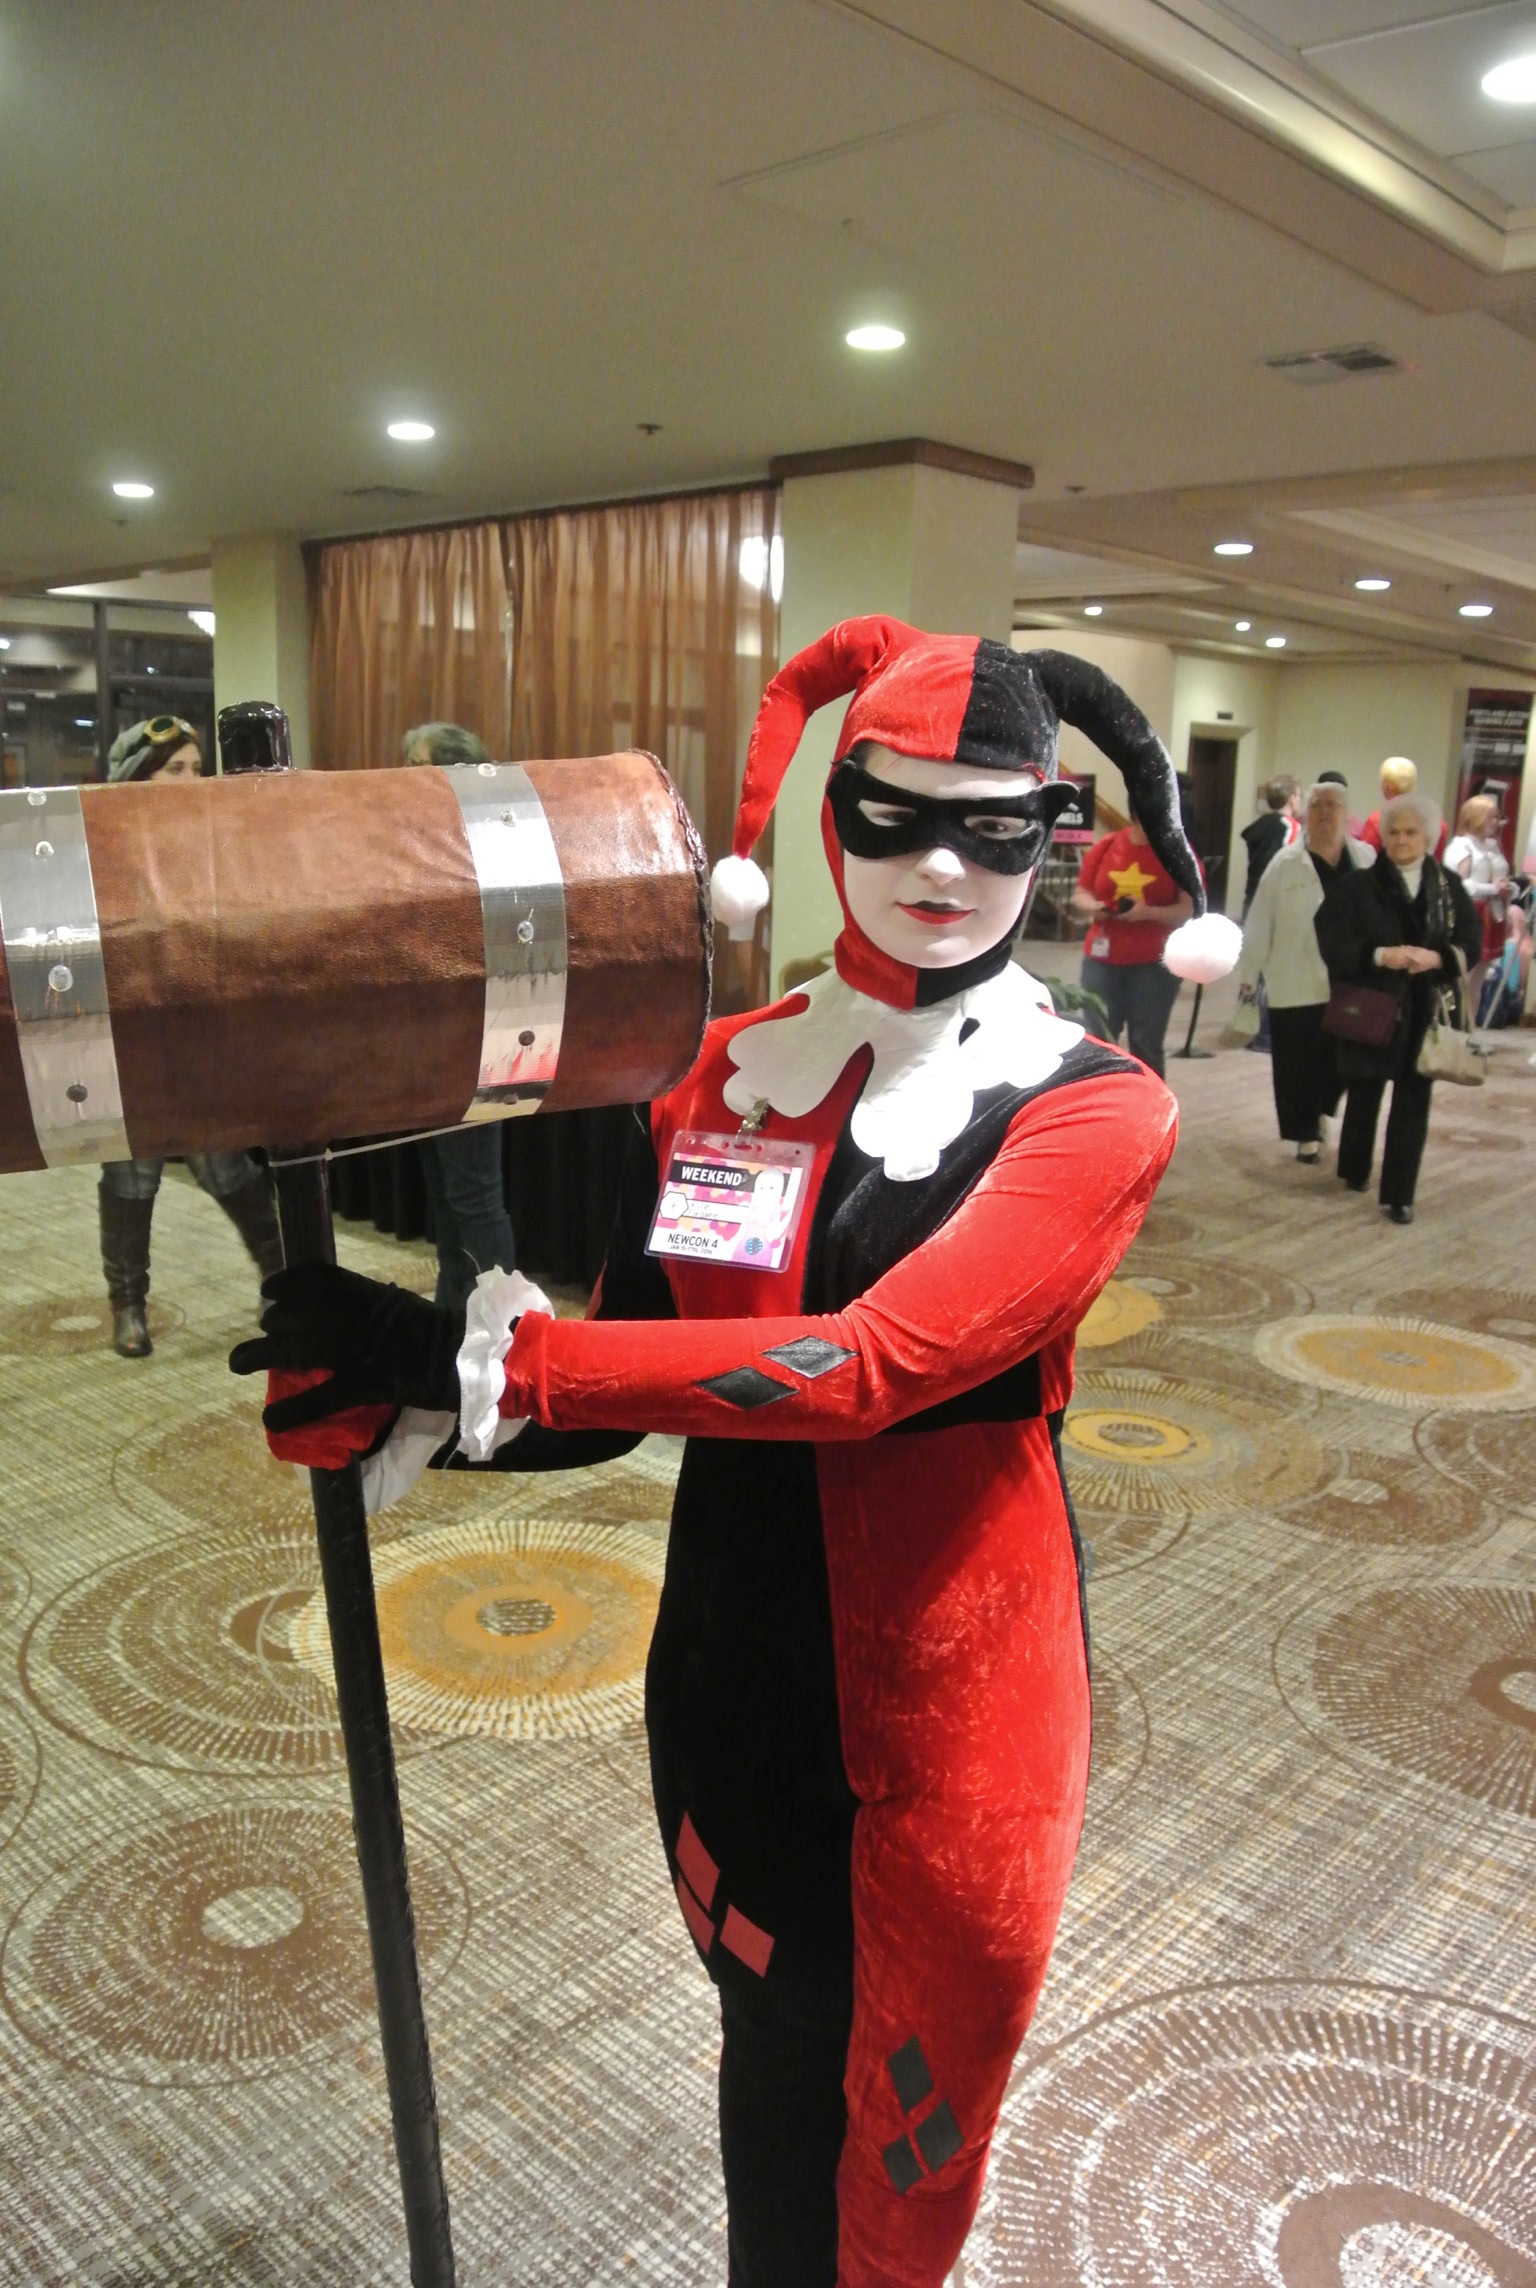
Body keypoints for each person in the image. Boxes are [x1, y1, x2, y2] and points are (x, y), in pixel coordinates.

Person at [232, 620, 1238, 2287]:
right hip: (730, 1675)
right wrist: (411, 1400)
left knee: (896, 2150)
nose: (940, 866)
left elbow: (868, 1368)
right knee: (769, 2071)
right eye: (895, 813)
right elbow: (636, 1380)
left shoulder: (1092, 1105)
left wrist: (492, 1354)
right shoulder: (723, 1072)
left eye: (995, 828)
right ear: (830, 817)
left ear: (1051, 838)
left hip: (951, 1724)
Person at [98, 717, 283, 1356]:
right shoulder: (107, 847)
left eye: (198, 768)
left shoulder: (210, 843)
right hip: (130, 1033)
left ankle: (281, 1280)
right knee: (131, 1175)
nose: (192, 780)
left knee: (224, 1165)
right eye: (174, 768)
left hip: (199, 1029)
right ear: (137, 777)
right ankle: (128, 1305)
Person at [1315, 791, 1480, 1224]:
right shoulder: (1356, 887)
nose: (1402, 839)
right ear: (1383, 835)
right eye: (1394, 831)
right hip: (1371, 1003)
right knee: (1364, 1091)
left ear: (1428, 837)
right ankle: (1354, 1168)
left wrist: (1437, 958)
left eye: (1411, 832)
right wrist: (1377, 955)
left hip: (1424, 1007)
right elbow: (1330, 935)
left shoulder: (1448, 887)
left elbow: (1471, 940)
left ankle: (1399, 1195)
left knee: (1413, 1099)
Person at [400, 722, 518, 1307]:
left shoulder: (488, 841)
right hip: (433, 1038)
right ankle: (453, 1321)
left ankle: (501, 1329)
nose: (401, 781)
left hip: (476, 1036)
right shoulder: (427, 842)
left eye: (414, 769)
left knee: (475, 1198)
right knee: (448, 1199)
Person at [1235, 782, 1372, 1160]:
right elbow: (1260, 921)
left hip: (1351, 980)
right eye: (1317, 805)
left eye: (1333, 804)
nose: (1325, 812)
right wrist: (1249, 974)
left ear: (1346, 812)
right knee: (1296, 1061)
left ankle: (1322, 1107)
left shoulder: (1365, 858)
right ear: (1305, 812)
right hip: (1294, 978)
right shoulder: (1285, 863)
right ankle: (1306, 1132)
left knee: (1342, 1059)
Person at [1071, 796, 1196, 1078]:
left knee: (1146, 1044)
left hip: (1155, 964)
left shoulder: (1178, 853)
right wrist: (1095, 907)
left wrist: (1148, 913)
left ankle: (1149, 1103)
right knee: (1098, 1042)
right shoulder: (1106, 846)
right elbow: (1081, 893)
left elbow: (1188, 910)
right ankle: (1103, 1099)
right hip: (1102, 960)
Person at [1443, 792, 1511, 1010]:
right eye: (1491, 816)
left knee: (1478, 980)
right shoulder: (1461, 846)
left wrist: (1509, 887)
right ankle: (1458, 1025)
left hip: (1491, 913)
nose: (1496, 822)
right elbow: (1459, 885)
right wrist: (1493, 888)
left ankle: (1471, 1024)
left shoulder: (1491, 847)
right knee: (1464, 975)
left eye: (1497, 816)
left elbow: (1502, 878)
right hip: (1470, 914)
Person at [1360, 756, 1448, 858]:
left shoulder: (1377, 820)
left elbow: (1364, 859)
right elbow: (1436, 861)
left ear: (1386, 785)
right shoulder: (1436, 822)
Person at [1239, 776, 1302, 914]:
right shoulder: (1291, 827)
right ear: (1291, 799)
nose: (1299, 800)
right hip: (1276, 901)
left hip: (1252, 896)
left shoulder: (1259, 825)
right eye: (1298, 796)